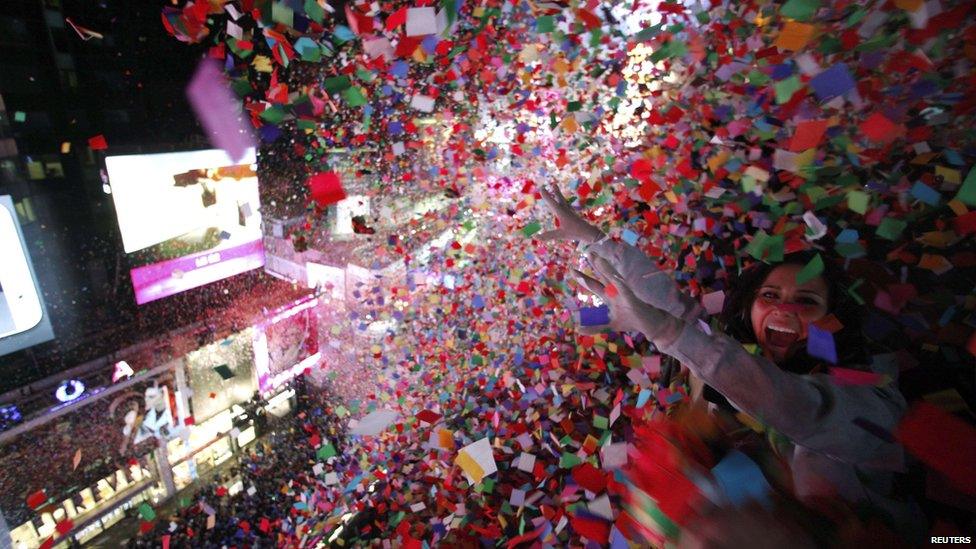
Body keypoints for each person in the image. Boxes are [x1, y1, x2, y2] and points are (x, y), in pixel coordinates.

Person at [538, 184, 924, 540]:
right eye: (769, 295)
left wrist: (669, 334)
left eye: (806, 301)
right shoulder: (749, 365)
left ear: (834, 318)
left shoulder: (874, 392)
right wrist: (597, 241)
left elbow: (800, 409)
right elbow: (685, 316)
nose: (783, 309)